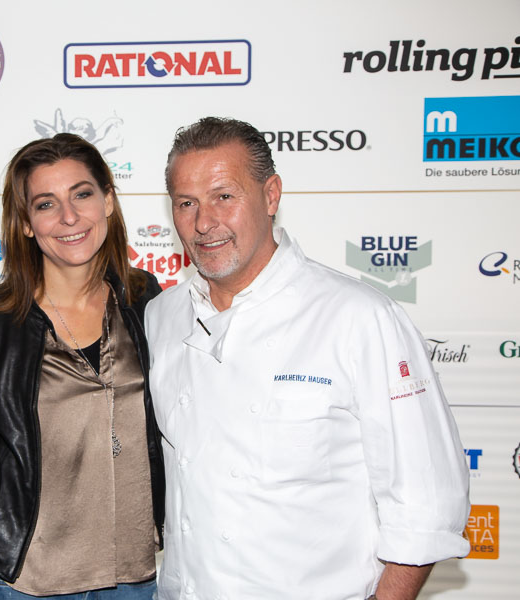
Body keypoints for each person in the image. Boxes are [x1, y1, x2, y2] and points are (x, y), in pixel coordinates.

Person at [146, 117, 470, 600]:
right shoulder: (161, 316)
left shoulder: (360, 317)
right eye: (186, 203)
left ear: (271, 195)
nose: (204, 222)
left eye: (224, 196)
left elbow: (426, 504)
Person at [0, 133, 164, 599]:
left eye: (82, 194)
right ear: (26, 223)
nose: (69, 217)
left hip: (133, 576)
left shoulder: (144, 300)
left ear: (108, 201)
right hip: (28, 582)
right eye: (46, 204)